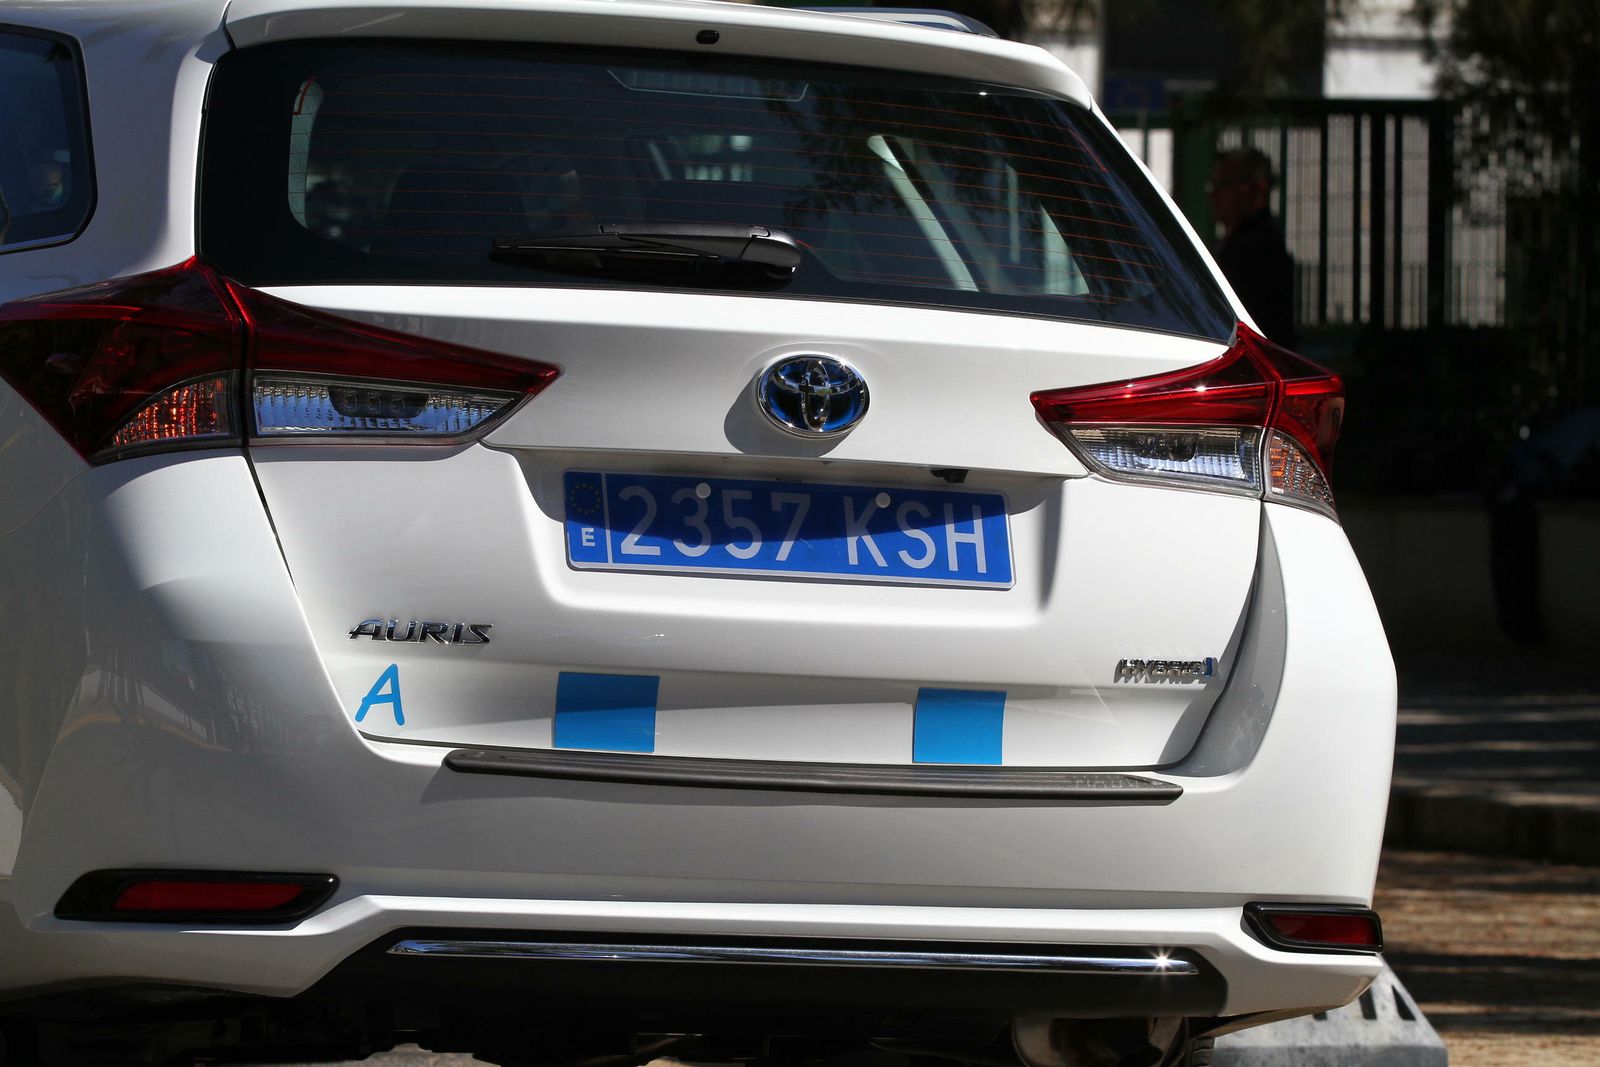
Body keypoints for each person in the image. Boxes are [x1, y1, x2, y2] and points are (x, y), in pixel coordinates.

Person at [1208, 147, 1297, 349]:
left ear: (1257, 189)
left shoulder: (1257, 248)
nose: (1213, 194)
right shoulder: (1239, 242)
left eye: (1224, 184)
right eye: (1213, 185)